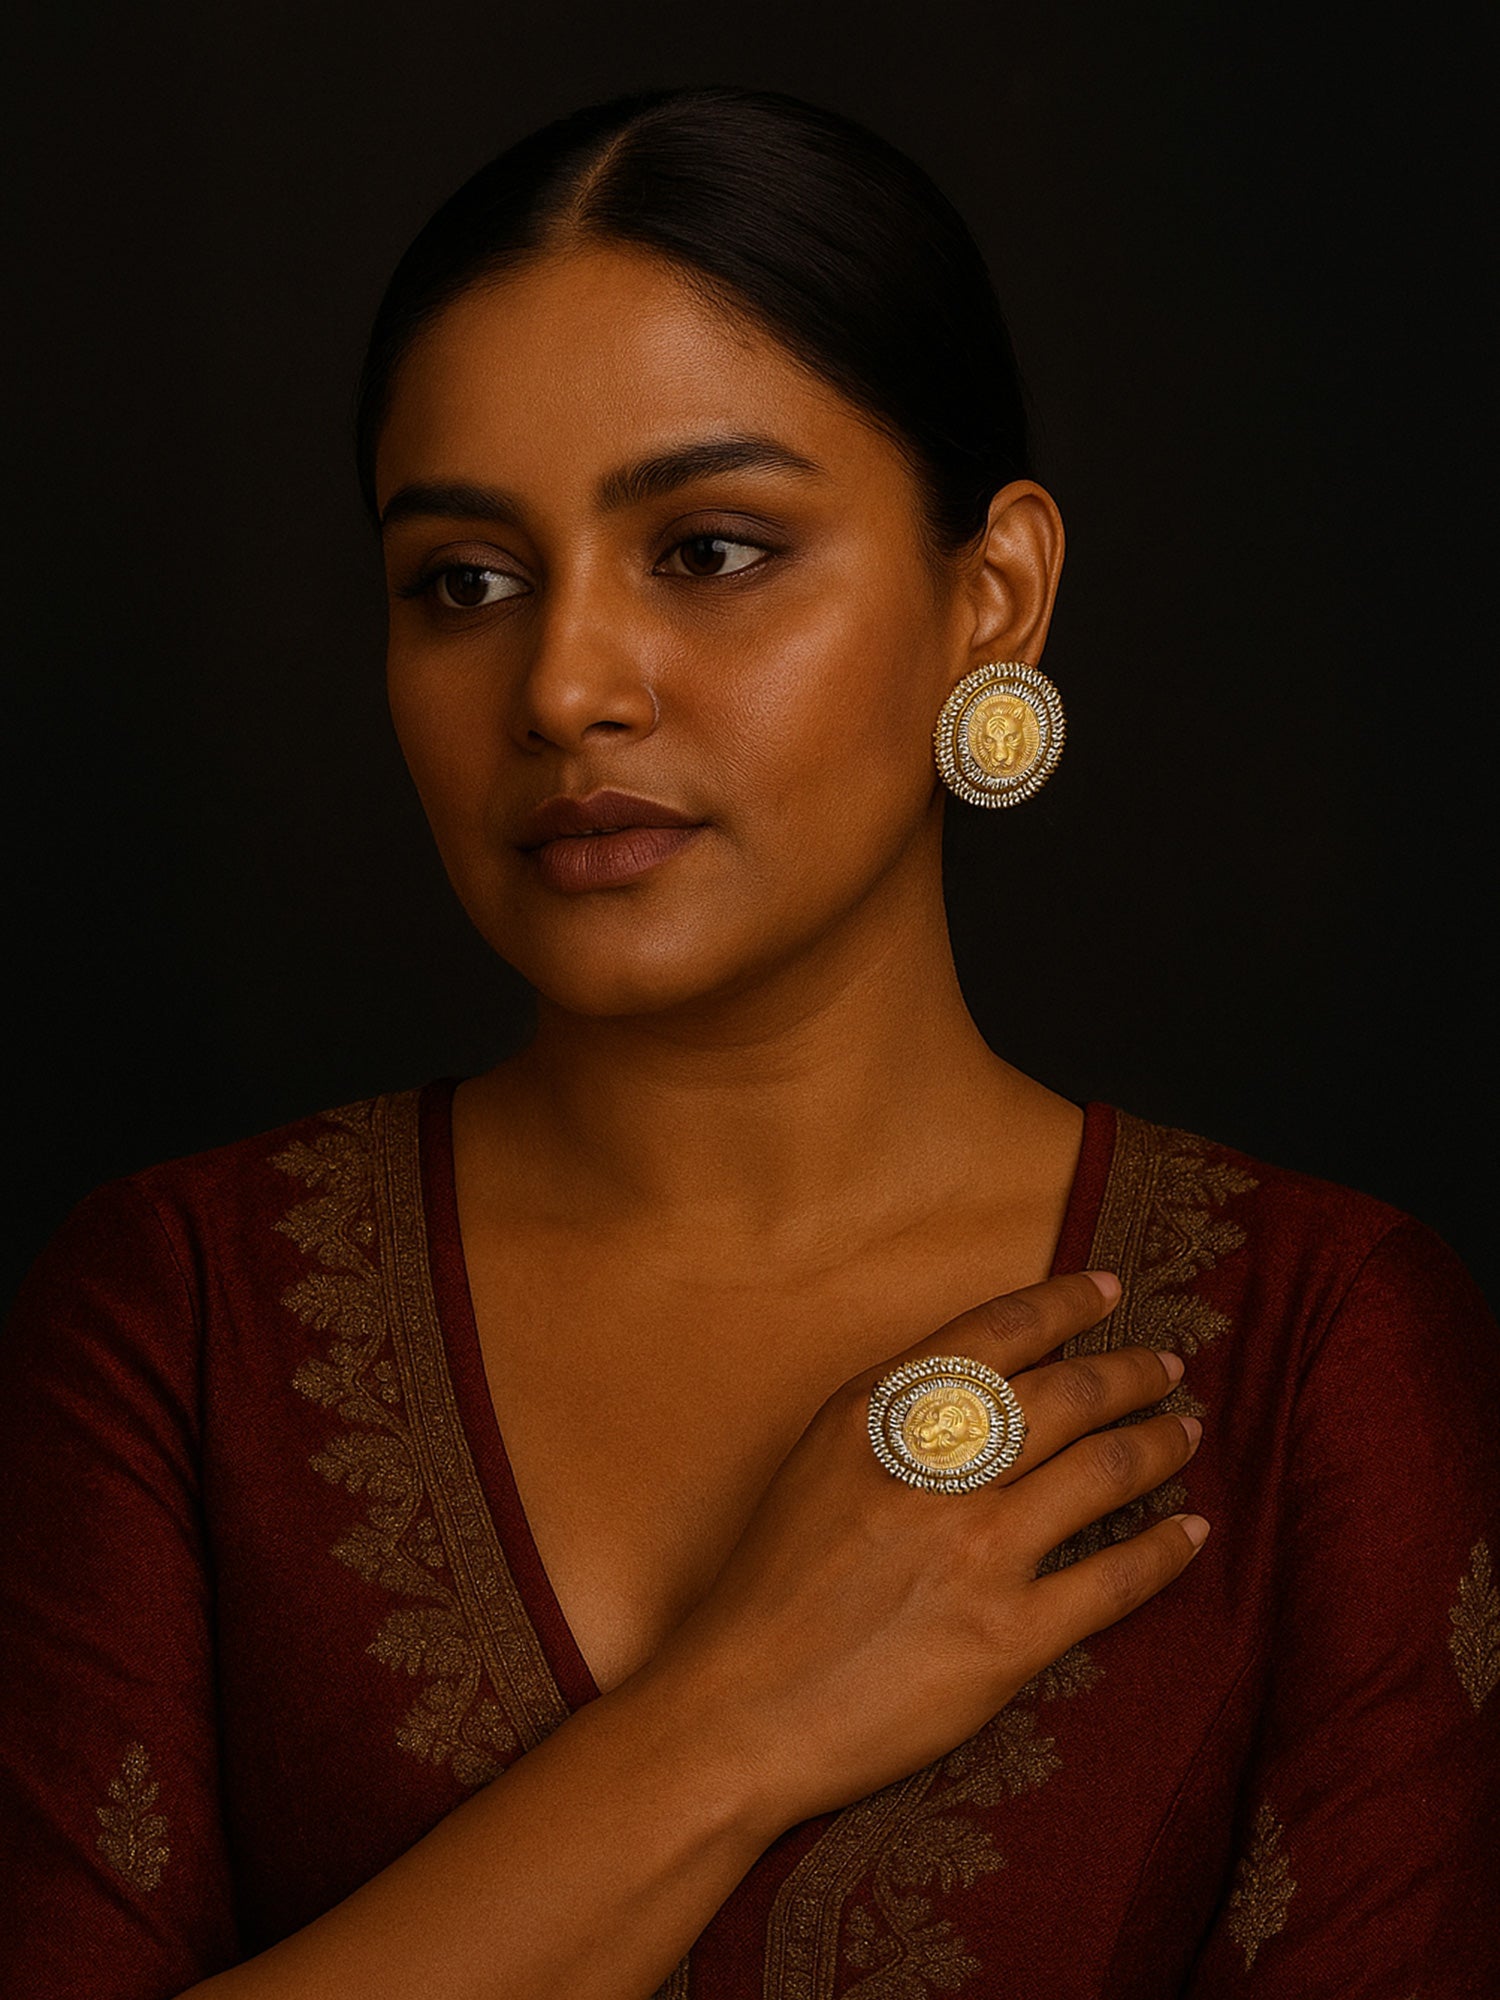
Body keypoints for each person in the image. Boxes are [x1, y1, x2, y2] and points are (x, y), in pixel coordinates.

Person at [1, 83, 1495, 2000]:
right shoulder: (175, 1316)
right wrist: (730, 1725)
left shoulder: (1321, 1348)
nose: (560, 686)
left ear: (995, 597)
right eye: (463, 581)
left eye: (707, 550)